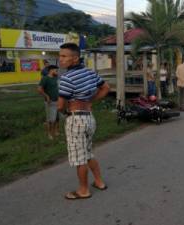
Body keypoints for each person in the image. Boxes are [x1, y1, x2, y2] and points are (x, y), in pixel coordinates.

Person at [57, 43, 110, 200]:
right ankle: (99, 182)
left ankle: (83, 190)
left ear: (75, 58)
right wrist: (91, 101)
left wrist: (65, 112)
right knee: (87, 154)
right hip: (89, 118)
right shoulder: (89, 72)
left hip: (76, 120)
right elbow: (106, 87)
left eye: (64, 56)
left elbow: (60, 105)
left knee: (80, 158)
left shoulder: (66, 78)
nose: (60, 59)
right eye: (60, 56)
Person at [37, 65, 60, 140]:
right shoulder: (45, 78)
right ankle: (49, 134)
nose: (57, 72)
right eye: (56, 70)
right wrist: (46, 96)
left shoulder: (55, 78)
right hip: (50, 102)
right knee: (50, 119)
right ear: (51, 70)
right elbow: (39, 89)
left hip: (57, 101)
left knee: (57, 118)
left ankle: (56, 132)